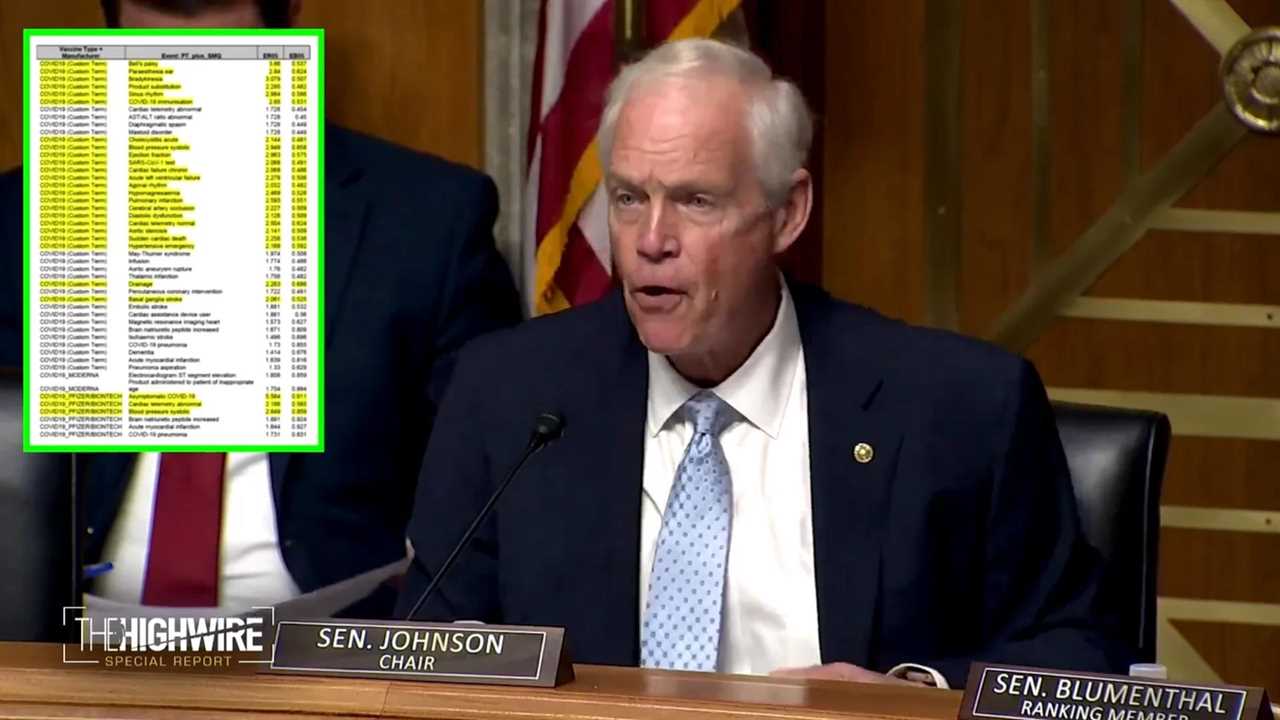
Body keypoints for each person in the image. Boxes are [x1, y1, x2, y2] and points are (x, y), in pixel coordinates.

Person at [396, 38, 1129, 687]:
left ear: (788, 211)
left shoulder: (959, 406)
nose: (650, 240)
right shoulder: (511, 395)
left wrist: (911, 694)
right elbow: (423, 644)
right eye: (627, 198)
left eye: (696, 201)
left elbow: (1076, 651)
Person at [1, 0, 521, 615]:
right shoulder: (23, 218)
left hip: (329, 654)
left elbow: (492, 492)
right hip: (72, 654)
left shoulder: (427, 221)